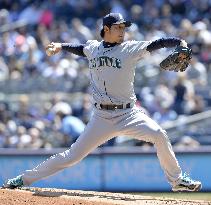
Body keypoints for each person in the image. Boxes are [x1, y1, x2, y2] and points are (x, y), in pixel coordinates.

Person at [3, 13, 201, 192]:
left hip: (128, 114)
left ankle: (177, 180)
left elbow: (158, 43)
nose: (123, 31)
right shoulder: (93, 48)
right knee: (71, 157)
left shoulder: (130, 48)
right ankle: (24, 179)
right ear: (106, 29)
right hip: (101, 118)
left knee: (159, 134)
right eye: (118, 27)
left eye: (124, 28)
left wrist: (180, 42)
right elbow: (81, 49)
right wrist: (61, 46)